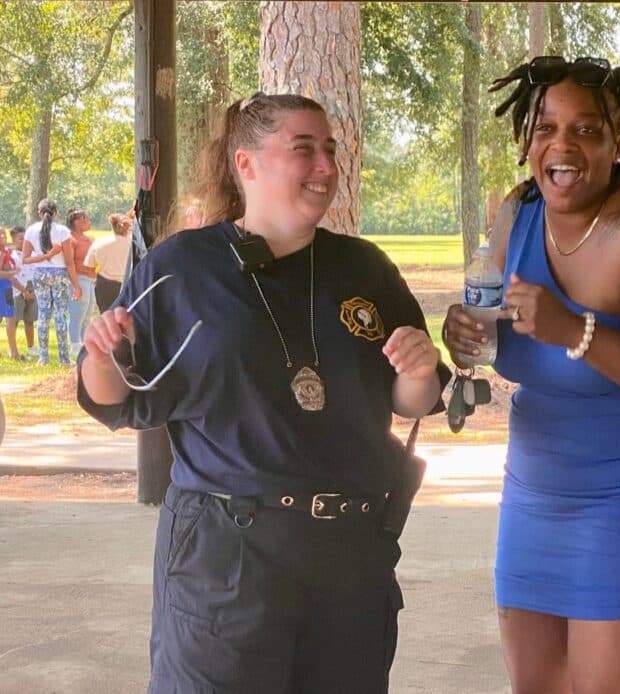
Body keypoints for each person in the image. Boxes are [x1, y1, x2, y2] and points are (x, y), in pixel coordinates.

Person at [76, 92, 448, 693]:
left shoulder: (365, 269)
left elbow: (410, 401)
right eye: (304, 149)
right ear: (245, 164)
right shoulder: (182, 269)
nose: (325, 166)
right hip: (227, 556)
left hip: (349, 555)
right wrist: (102, 354)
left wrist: (419, 368)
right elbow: (117, 400)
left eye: (330, 150)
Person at [442, 56, 620, 694]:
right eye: (545, 128)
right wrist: (466, 336)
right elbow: (498, 325)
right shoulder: (518, 212)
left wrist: (577, 333)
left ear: (619, 143)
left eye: (586, 129)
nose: (562, 146)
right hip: (536, 485)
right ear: (526, 140)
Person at [22, 199, 77, 365]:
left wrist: (44, 257)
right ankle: (64, 358)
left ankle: (43, 358)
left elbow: (25, 259)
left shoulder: (31, 230)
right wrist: (76, 285)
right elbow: (69, 261)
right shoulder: (62, 231)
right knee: (60, 315)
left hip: (40, 274)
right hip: (59, 273)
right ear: (55, 213)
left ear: (39, 213)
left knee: (43, 315)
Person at [65, 206, 97, 359]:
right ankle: (74, 344)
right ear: (77, 222)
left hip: (91, 280)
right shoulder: (71, 240)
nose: (89, 221)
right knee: (77, 312)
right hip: (79, 278)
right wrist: (75, 285)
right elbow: (69, 262)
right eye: (85, 219)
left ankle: (85, 343)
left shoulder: (90, 239)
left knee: (88, 313)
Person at [85, 213, 132, 312]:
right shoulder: (133, 244)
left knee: (105, 315)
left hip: (104, 285)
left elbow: (89, 265)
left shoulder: (100, 242)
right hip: (127, 284)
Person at [0, 224, 21, 359]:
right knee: (10, 319)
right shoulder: (0, 253)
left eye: (3, 233)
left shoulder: (3, 250)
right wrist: (14, 271)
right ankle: (14, 353)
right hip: (2, 286)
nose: (2, 235)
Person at [9, 226, 36, 354]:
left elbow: (37, 273)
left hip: (32, 289)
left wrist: (34, 291)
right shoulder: (11, 256)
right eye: (21, 239)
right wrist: (24, 291)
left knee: (29, 320)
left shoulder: (33, 254)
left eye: (26, 238)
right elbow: (11, 278)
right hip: (17, 290)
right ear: (13, 240)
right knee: (14, 320)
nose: (24, 241)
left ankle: (31, 347)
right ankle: (12, 348)